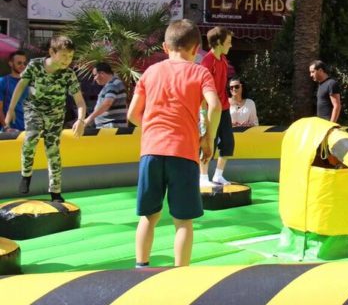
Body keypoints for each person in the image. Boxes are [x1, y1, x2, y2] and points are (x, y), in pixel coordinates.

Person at [127, 19, 221, 268]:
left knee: (149, 216)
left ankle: (141, 266)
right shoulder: (200, 71)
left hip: (151, 152)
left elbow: (132, 115)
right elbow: (215, 105)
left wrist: (153, 129)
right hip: (183, 153)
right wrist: (207, 138)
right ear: (196, 49)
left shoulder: (150, 72)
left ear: (165, 48)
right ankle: (181, 273)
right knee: (183, 221)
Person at [4, 36, 86, 202]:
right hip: (34, 109)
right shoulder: (35, 65)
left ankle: (55, 191)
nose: (67, 61)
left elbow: (80, 102)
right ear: (52, 52)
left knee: (53, 151)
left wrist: (81, 119)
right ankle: (26, 175)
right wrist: (11, 109)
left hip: (55, 114)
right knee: (31, 138)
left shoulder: (68, 74)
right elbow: (21, 87)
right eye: (63, 56)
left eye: (70, 57)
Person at [199, 27, 235, 187]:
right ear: (219, 42)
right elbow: (201, 89)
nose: (231, 45)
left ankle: (218, 176)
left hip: (224, 107)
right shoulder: (207, 62)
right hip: (210, 109)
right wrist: (203, 112)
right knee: (208, 142)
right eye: (228, 42)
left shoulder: (223, 60)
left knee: (228, 143)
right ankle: (203, 177)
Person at [84, 62, 127, 128]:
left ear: (102, 74)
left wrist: (88, 119)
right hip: (111, 127)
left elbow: (107, 104)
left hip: (110, 128)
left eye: (95, 75)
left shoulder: (112, 85)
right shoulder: (114, 83)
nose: (94, 78)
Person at [0, 50, 29, 132]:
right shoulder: (3, 82)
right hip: (10, 132)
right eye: (19, 63)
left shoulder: (30, 82)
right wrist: (6, 128)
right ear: (10, 64)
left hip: (29, 130)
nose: (23, 66)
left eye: (24, 63)